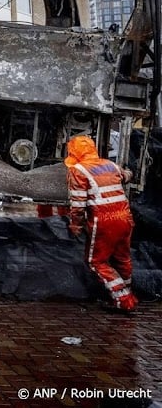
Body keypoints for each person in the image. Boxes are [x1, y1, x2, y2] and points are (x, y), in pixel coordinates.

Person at [64, 134, 137, 312]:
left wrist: (75, 225)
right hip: (125, 218)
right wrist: (128, 173)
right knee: (122, 259)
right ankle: (127, 292)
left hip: (104, 221)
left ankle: (123, 299)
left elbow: (78, 205)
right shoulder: (109, 164)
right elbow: (126, 175)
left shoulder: (78, 171)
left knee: (95, 261)